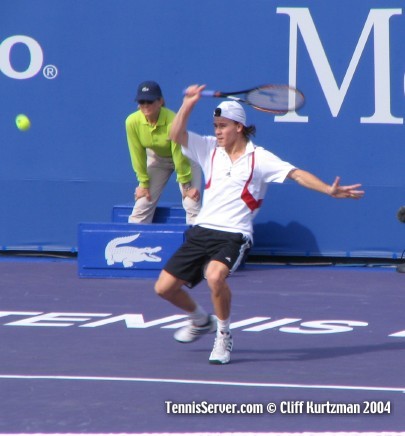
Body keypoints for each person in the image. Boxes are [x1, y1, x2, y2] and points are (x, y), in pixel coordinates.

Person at [154, 84, 365, 365]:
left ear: (239, 127)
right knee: (164, 288)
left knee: (215, 276)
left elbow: (296, 174)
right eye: (215, 125)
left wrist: (328, 189)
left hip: (234, 234)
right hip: (202, 230)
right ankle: (201, 320)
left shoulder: (260, 158)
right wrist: (188, 103)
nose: (217, 131)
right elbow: (174, 134)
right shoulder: (208, 149)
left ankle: (224, 335)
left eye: (223, 126)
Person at [125, 81, 201, 224]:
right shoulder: (131, 122)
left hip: (186, 159)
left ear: (160, 101)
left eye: (150, 101)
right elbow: (137, 154)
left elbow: (178, 154)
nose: (145, 105)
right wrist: (143, 184)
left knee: (191, 203)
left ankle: (198, 244)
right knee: (142, 203)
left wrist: (187, 186)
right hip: (158, 159)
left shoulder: (173, 120)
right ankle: (136, 242)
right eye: (142, 101)